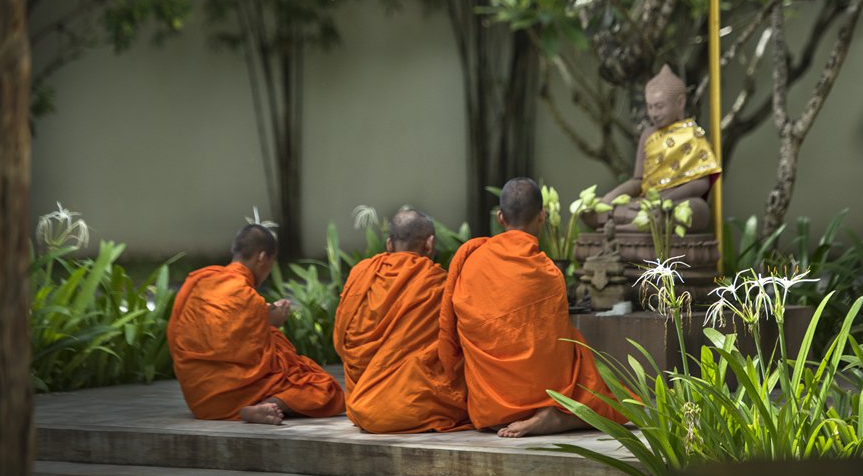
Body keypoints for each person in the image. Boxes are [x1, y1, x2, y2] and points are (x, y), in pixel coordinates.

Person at [439, 178, 626, 438]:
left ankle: (521, 412)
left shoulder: (472, 263)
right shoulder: (547, 272)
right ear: (542, 216)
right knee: (577, 351)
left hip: (490, 409)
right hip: (543, 395)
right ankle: (559, 416)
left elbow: (451, 336)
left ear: (501, 217)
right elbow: (553, 347)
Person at [167, 224, 345, 425]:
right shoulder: (246, 297)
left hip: (201, 398)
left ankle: (259, 407)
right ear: (262, 258)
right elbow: (251, 347)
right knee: (324, 388)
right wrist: (272, 324)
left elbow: (177, 335)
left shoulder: (199, 282)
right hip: (237, 394)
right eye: (272, 262)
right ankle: (269, 404)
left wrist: (264, 318)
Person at [334, 208, 470, 433]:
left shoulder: (362, 274)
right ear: (429, 244)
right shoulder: (437, 284)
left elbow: (341, 342)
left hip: (359, 404)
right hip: (411, 402)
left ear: (389, 244)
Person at [593, 64, 721, 232]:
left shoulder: (692, 133)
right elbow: (638, 181)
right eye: (650, 106)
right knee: (593, 210)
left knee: (698, 210)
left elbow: (701, 184)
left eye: (659, 106)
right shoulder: (648, 135)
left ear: (680, 102)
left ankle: (634, 226)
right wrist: (610, 197)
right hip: (645, 203)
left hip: (674, 203)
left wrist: (664, 199)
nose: (653, 113)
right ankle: (639, 224)